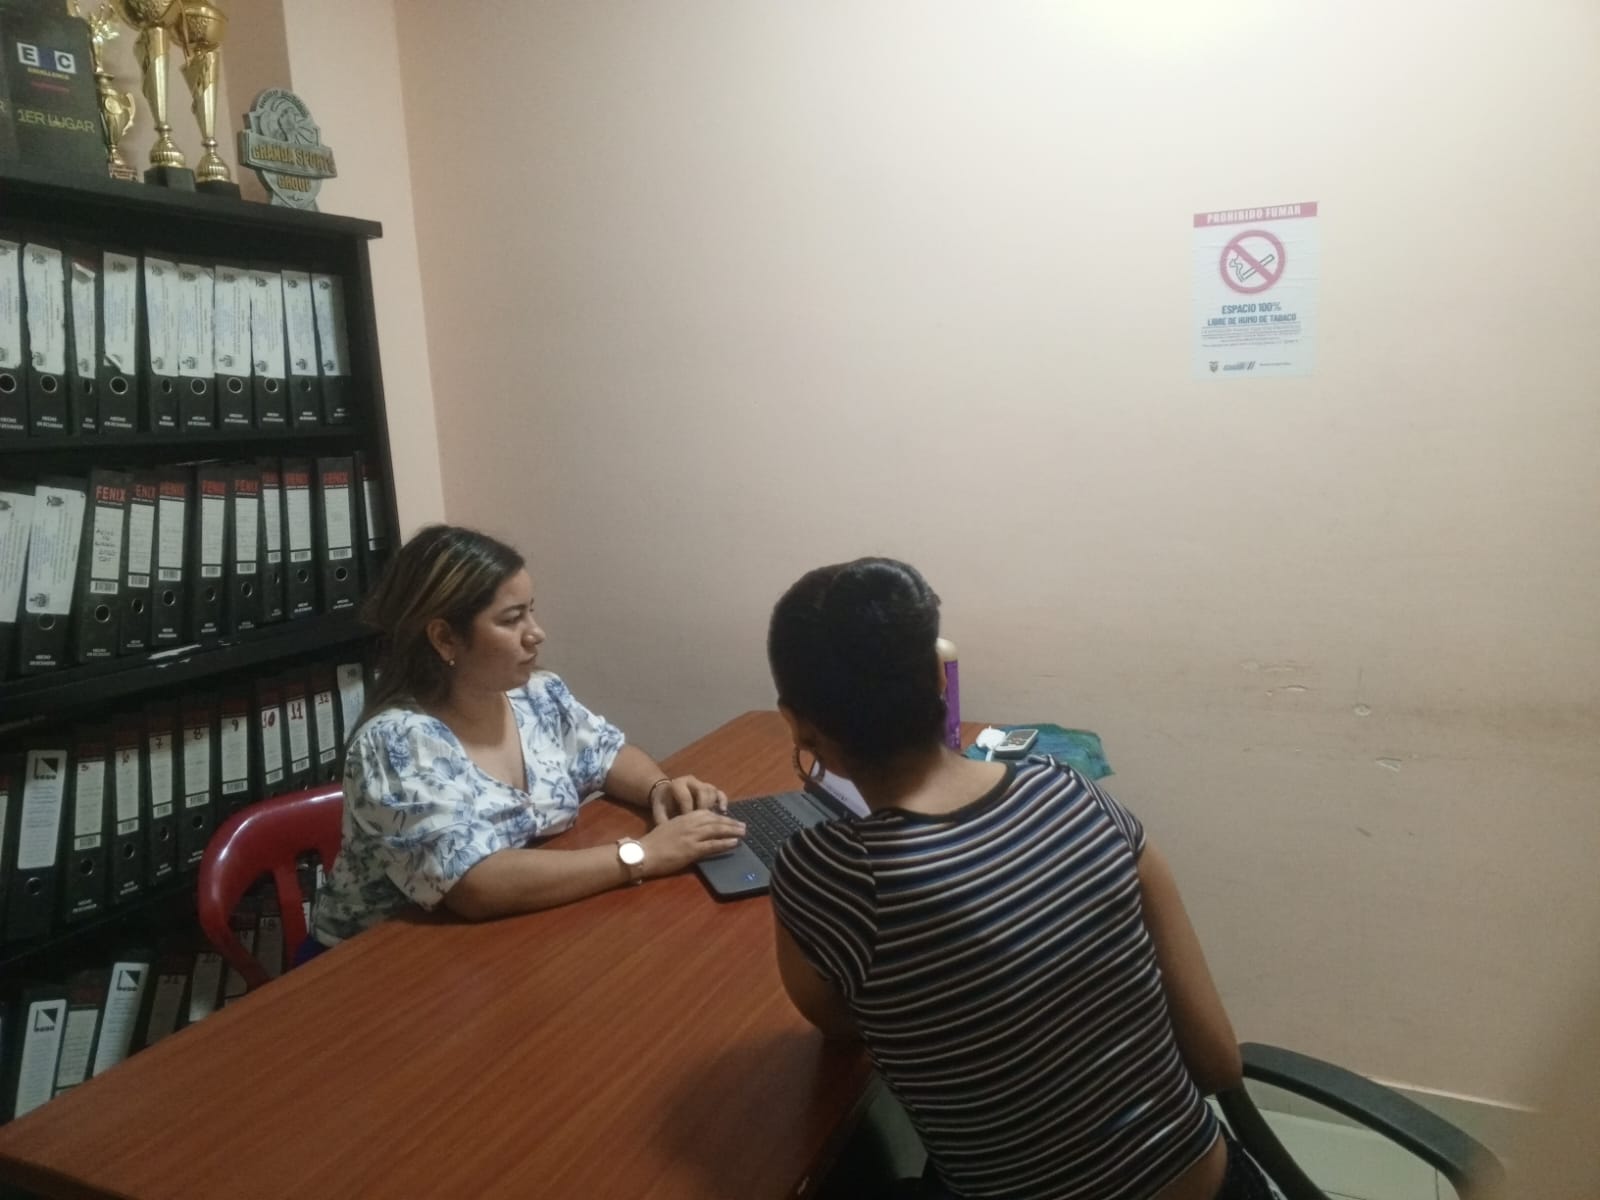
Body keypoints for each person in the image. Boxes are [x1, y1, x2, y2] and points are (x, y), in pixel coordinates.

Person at [765, 558, 1272, 1200]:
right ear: (938, 678)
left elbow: (842, 1029)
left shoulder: (827, 876)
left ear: (798, 724)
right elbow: (1218, 1062)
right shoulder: (1072, 793)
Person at [310, 524, 745, 948]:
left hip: (509, 935)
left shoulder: (536, 693)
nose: (537, 633)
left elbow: (606, 753)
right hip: (382, 963)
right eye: (512, 619)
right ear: (444, 638)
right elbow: (474, 885)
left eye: (530, 611)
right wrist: (643, 855)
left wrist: (659, 788)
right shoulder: (396, 743)